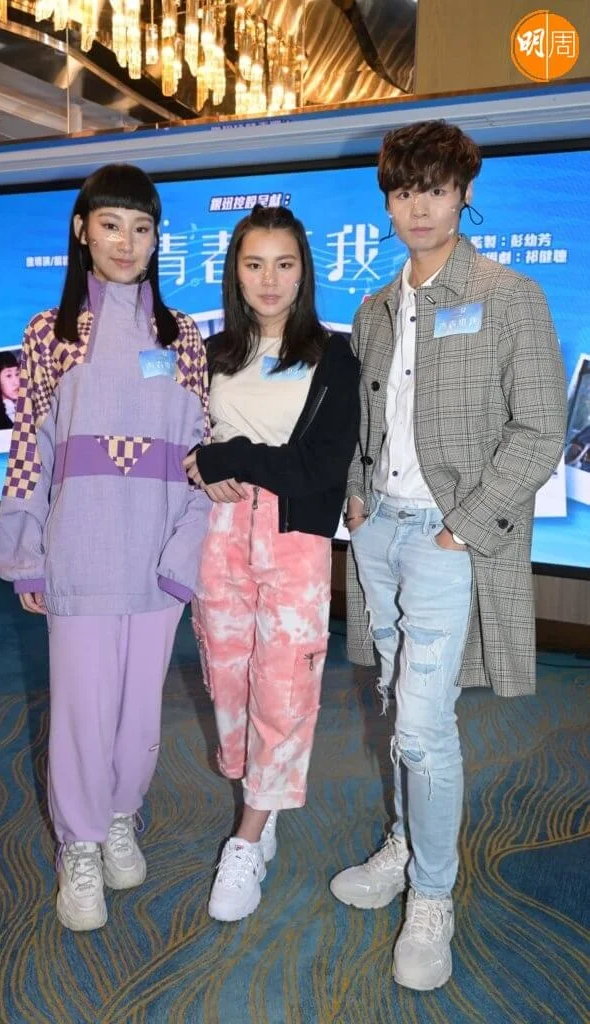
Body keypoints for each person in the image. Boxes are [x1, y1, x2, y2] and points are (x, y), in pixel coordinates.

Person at [330, 120, 567, 990]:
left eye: (434, 189)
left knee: (424, 729)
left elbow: (539, 428)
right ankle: (404, 843)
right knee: (396, 704)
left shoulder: (507, 296)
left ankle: (432, 897)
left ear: (463, 193)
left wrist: (461, 526)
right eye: (403, 191)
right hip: (379, 534)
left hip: (445, 537)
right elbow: (364, 421)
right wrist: (356, 496)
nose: (418, 207)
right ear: (387, 202)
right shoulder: (373, 309)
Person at [0, 163, 210, 931]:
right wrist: (25, 551)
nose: (126, 242)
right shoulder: (48, 334)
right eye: (111, 224)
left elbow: (202, 453)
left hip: (157, 551)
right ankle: (79, 844)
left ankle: (121, 817)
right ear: (82, 230)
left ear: (156, 239)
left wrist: (187, 551)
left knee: (139, 713)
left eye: (141, 228)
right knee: (82, 708)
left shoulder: (183, 336)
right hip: (79, 548)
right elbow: (29, 450)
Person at [184, 204, 360, 922]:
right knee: (227, 678)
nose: (268, 279)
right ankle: (259, 793)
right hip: (217, 534)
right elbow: (187, 443)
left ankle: (249, 835)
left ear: (304, 272)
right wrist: (199, 462)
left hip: (293, 538)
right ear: (234, 271)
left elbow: (318, 466)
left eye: (283, 264)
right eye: (253, 264)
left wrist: (229, 455)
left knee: (284, 685)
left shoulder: (335, 357)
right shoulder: (209, 353)